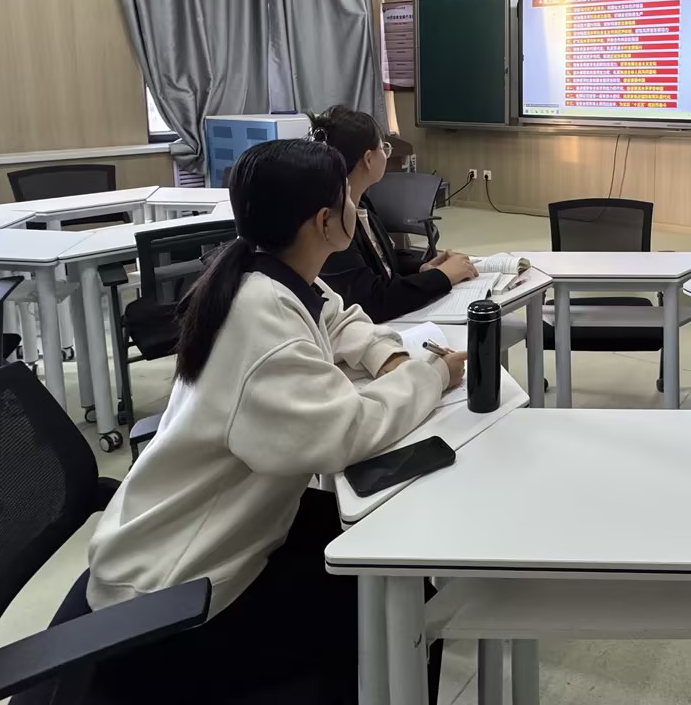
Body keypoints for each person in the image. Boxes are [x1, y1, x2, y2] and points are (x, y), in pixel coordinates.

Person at [81, 139, 466, 703]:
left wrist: (388, 356)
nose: (357, 208)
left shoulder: (264, 273)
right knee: (400, 609)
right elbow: (345, 433)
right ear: (325, 221)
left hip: (211, 539)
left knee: (393, 564)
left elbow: (338, 318)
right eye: (348, 200)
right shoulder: (261, 322)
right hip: (176, 597)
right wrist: (430, 374)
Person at [307, 105, 478, 322]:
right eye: (383, 148)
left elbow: (381, 259)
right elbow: (373, 301)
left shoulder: (362, 202)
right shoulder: (332, 224)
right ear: (368, 159)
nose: (387, 155)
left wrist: (423, 267)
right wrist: (442, 276)